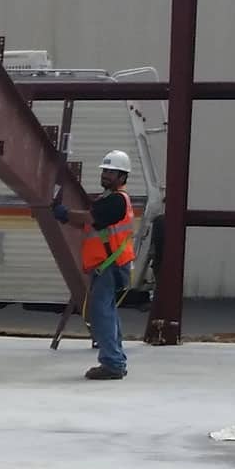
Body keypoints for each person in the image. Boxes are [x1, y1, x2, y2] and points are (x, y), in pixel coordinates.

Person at [54, 149, 137, 380]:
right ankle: (116, 359)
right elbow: (92, 225)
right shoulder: (108, 200)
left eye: (111, 172)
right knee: (107, 312)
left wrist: (65, 213)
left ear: (122, 177)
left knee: (101, 314)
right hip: (110, 265)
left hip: (110, 265)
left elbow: (90, 219)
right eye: (105, 171)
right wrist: (68, 217)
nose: (106, 175)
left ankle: (112, 363)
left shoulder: (117, 201)